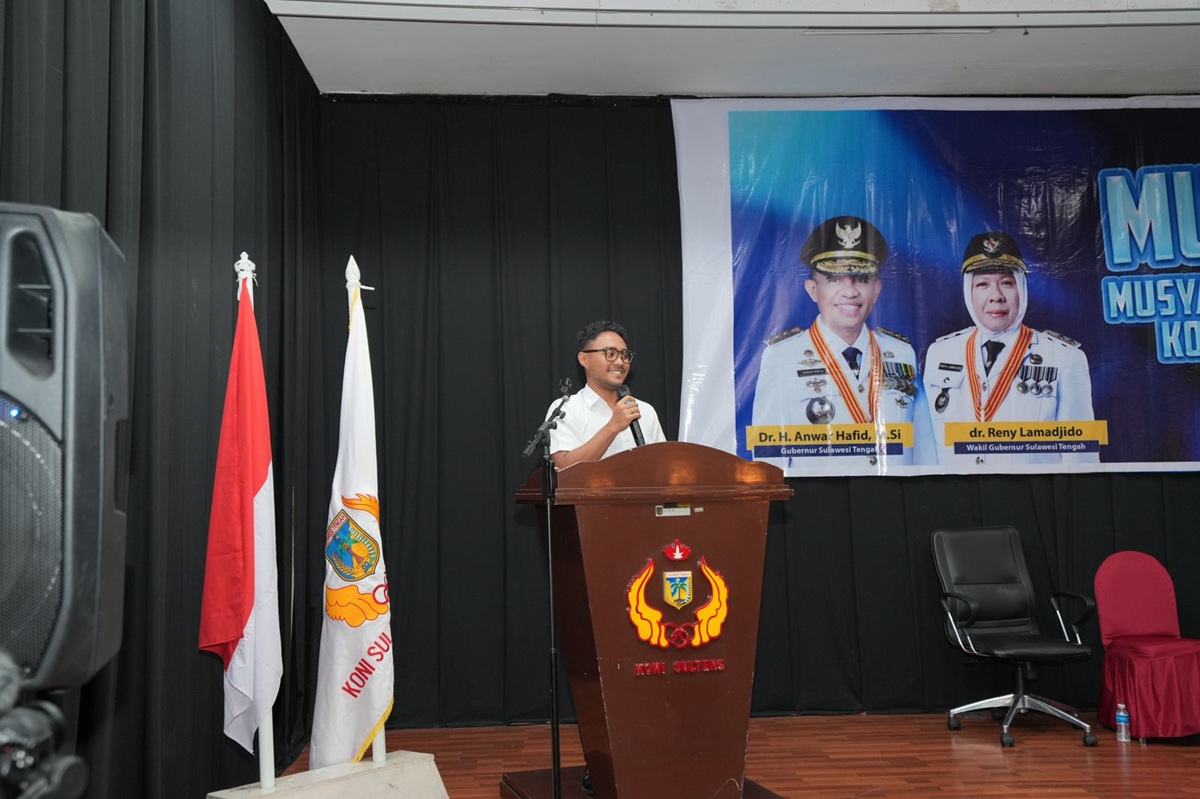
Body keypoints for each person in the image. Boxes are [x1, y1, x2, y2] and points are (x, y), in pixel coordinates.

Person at [751, 215, 922, 472]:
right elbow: (769, 458)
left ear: (876, 289)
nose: (850, 291)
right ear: (812, 289)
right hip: (817, 495)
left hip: (893, 492)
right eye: (834, 279)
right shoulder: (781, 357)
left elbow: (922, 450)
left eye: (861, 279)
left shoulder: (901, 353)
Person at [921, 230, 1098, 466]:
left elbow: (1081, 458)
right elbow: (927, 448)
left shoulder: (1065, 357)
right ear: (968, 291)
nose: (996, 296)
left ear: (1022, 288)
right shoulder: (941, 352)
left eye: (1006, 283)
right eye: (982, 284)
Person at [546, 320, 666, 470]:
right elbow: (563, 469)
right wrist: (613, 426)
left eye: (625, 355)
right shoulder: (566, 409)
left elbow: (662, 467)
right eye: (610, 354)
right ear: (584, 359)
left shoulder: (645, 410)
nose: (620, 362)